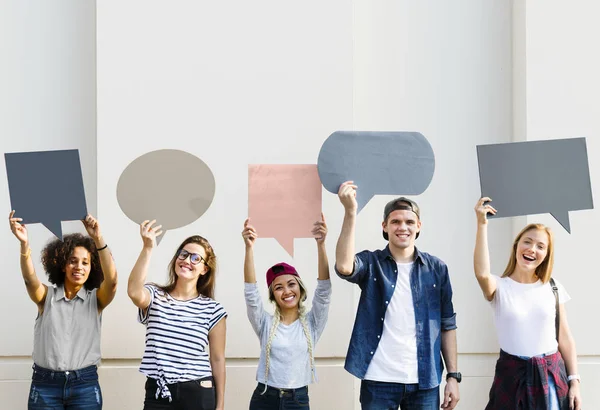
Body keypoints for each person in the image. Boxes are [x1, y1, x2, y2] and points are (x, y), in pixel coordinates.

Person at [334, 181, 460, 410]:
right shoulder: (372, 264)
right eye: (396, 222)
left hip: (424, 381)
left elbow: (447, 324)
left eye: (409, 222)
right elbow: (344, 266)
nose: (403, 227)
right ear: (385, 226)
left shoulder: (436, 269)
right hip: (378, 380)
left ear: (419, 226)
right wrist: (350, 212)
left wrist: (453, 376)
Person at [474, 197, 582, 410]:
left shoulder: (553, 287)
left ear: (546, 255)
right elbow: (481, 273)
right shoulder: (499, 287)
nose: (532, 248)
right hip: (511, 375)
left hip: (550, 375)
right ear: (517, 246)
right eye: (527, 241)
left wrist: (574, 381)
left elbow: (565, 337)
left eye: (540, 246)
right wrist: (482, 224)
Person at [9, 210, 117, 410]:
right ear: (62, 265)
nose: (79, 267)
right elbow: (29, 279)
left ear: (92, 268)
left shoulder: (96, 300)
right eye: (73, 261)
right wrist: (24, 244)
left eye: (85, 263)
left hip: (84, 384)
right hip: (45, 385)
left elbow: (111, 283)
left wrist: (98, 238)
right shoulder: (45, 297)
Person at [127, 220, 226, 410]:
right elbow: (133, 291)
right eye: (184, 254)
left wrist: (220, 405)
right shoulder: (155, 295)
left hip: (199, 390)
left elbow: (217, 359)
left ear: (204, 269)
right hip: (159, 392)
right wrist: (148, 247)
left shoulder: (213, 310)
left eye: (196, 258)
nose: (187, 260)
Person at [241, 214, 331, 410]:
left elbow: (324, 291)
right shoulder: (264, 323)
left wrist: (321, 245)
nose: (287, 291)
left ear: (300, 288)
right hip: (265, 397)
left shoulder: (312, 323)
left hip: (297, 400)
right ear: (273, 295)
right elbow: (251, 293)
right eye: (279, 287)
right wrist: (249, 248)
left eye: (291, 284)